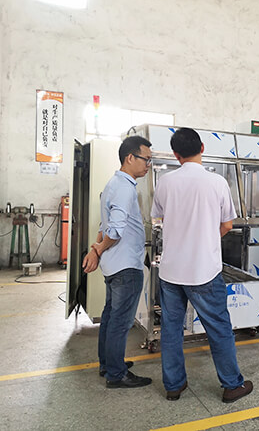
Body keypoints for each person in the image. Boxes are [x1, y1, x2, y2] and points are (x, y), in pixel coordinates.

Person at [151, 127, 252, 403]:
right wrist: (206, 238)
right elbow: (227, 225)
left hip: (171, 271)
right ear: (203, 148)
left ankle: (174, 385)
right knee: (218, 327)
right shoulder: (216, 182)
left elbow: (159, 218)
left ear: (176, 154)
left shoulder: (165, 182)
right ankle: (232, 385)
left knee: (171, 329)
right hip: (204, 271)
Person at [82, 135, 153, 389]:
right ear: (130, 158)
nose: (148, 165)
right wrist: (99, 248)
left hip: (114, 265)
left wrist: (96, 250)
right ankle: (116, 373)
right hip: (125, 266)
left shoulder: (114, 183)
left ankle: (108, 364)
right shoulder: (124, 188)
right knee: (120, 322)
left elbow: (105, 226)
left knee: (111, 317)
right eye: (146, 159)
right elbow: (115, 231)